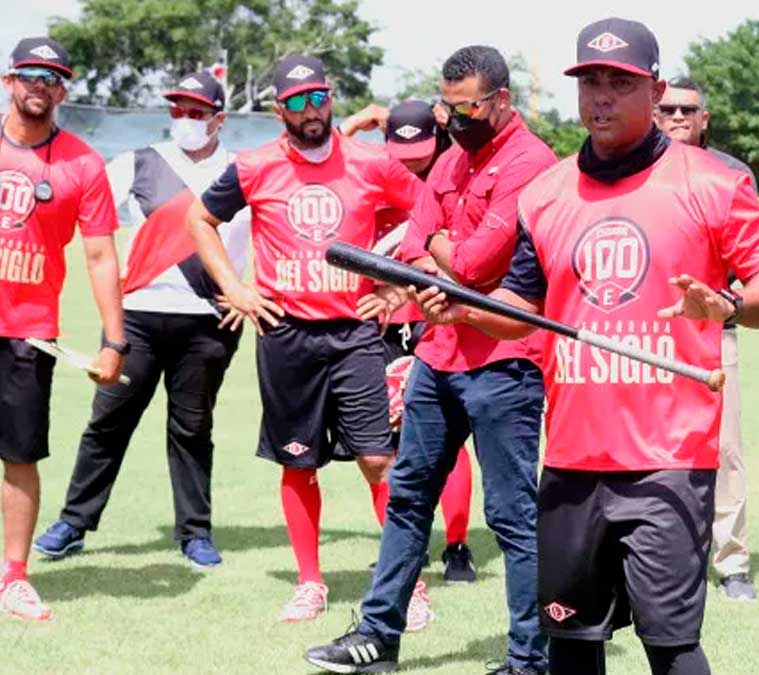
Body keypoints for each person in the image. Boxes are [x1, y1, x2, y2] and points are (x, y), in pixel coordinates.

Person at [305, 17, 759, 675]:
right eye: (590, 81)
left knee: (671, 644)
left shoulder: (711, 181)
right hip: (571, 457)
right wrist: (460, 309)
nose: (600, 96)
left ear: (653, 89)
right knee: (571, 639)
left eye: (619, 82)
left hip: (668, 457)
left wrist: (730, 303)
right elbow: (521, 309)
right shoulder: (548, 194)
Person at [305, 45, 557, 674]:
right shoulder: (450, 160)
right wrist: (444, 251)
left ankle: (531, 657)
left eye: (466, 107)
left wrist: (443, 250)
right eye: (446, 107)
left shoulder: (532, 163)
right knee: (409, 494)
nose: (454, 119)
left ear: (500, 99)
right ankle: (378, 636)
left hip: (505, 360)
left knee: (512, 515)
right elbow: (415, 248)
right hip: (438, 355)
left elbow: (471, 264)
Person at [184, 54, 421, 622]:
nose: (310, 109)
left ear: (332, 97)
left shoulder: (371, 164)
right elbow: (200, 221)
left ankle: (407, 588)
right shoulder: (254, 165)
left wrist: (398, 291)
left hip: (356, 334)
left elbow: (428, 216)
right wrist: (235, 289)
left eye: (317, 97)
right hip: (285, 334)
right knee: (298, 464)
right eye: (296, 101)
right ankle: (310, 582)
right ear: (277, 110)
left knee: (378, 461)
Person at [34, 70, 248, 569]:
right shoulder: (139, 161)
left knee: (192, 429)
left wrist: (247, 294)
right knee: (107, 423)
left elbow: (280, 230)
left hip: (208, 320)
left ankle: (194, 532)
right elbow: (82, 210)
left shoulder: (243, 169)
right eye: (177, 109)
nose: (185, 119)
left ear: (219, 119)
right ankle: (74, 522)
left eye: (196, 112)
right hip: (139, 318)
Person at [0, 36, 126, 621]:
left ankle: (14, 576)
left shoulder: (82, 162)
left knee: (19, 457)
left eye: (52, 77)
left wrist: (114, 339)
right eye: (30, 73)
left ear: (62, 90)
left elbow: (101, 257)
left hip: (28, 332)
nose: (40, 85)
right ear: (8, 81)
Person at [342, 100, 478, 585]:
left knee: (449, 433)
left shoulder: (451, 177)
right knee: (387, 442)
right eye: (402, 150)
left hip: (435, 315)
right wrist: (353, 126)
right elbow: (330, 161)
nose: (411, 160)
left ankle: (457, 544)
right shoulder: (371, 176)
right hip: (378, 325)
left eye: (420, 148)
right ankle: (405, 546)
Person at [655, 75, 759, 601]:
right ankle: (662, 557)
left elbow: (754, 260)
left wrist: (721, 300)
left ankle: (732, 563)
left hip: (711, 332)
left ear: (704, 118)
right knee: (646, 449)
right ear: (653, 112)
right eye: (668, 108)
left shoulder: (731, 174)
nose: (678, 117)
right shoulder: (632, 168)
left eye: (688, 110)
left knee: (724, 451)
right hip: (639, 333)